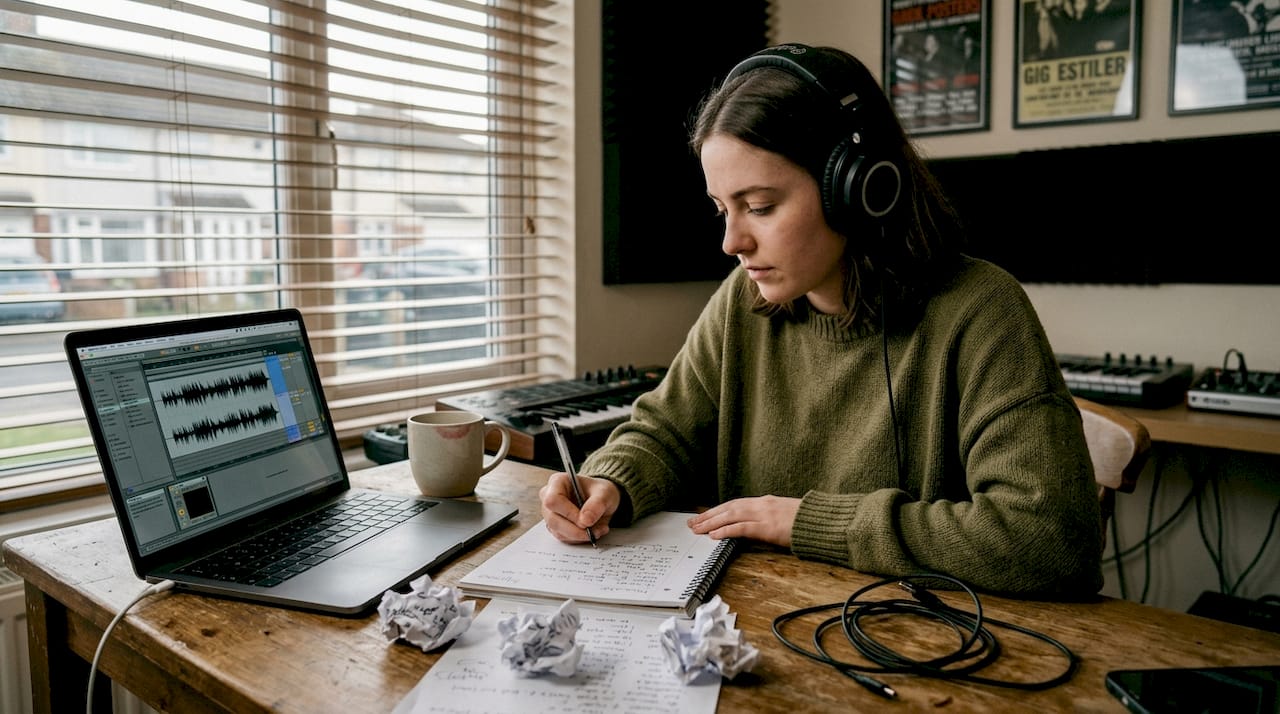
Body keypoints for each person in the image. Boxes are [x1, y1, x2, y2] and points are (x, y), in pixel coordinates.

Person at [539, 43, 1103, 598]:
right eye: (722, 209)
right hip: (761, 629)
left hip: (918, 646)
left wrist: (808, 522)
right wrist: (610, 479)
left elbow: (1049, 540)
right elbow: (666, 431)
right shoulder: (744, 299)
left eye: (759, 207)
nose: (732, 241)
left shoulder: (981, 311)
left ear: (859, 190)